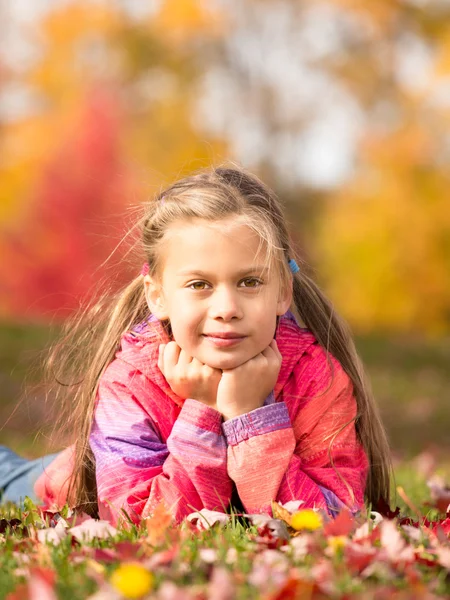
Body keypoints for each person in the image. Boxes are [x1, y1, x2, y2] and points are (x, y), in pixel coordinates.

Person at [0, 166, 392, 525]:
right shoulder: (131, 381)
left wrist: (250, 417)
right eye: (199, 284)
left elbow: (335, 519)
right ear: (157, 297)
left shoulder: (314, 378)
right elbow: (141, 524)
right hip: (68, 478)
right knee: (11, 479)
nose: (226, 309)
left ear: (282, 292)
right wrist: (202, 411)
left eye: (250, 282)